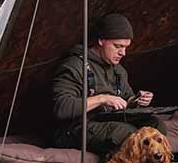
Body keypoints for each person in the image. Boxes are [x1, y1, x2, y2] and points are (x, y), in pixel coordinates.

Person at [51, 13, 167, 155]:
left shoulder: (118, 70)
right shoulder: (75, 66)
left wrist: (136, 100)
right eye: (118, 46)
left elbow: (126, 100)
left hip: (107, 120)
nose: (123, 53)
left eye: (126, 47)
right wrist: (102, 98)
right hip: (74, 129)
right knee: (125, 133)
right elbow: (62, 108)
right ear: (101, 40)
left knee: (155, 125)